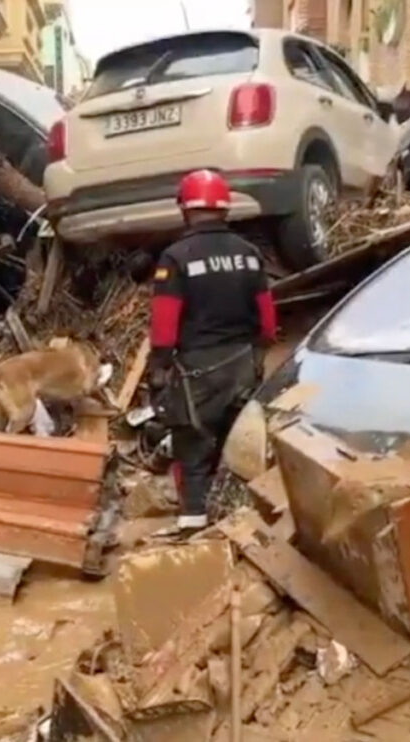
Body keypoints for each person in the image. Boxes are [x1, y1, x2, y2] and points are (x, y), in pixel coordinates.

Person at [150, 169, 277, 533]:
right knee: (235, 444)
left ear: (185, 210)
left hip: (197, 370)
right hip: (242, 363)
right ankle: (240, 524)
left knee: (192, 448)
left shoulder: (176, 258)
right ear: (224, 208)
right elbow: (267, 317)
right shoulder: (249, 254)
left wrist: (160, 367)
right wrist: (258, 353)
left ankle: (193, 526)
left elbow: (164, 321)